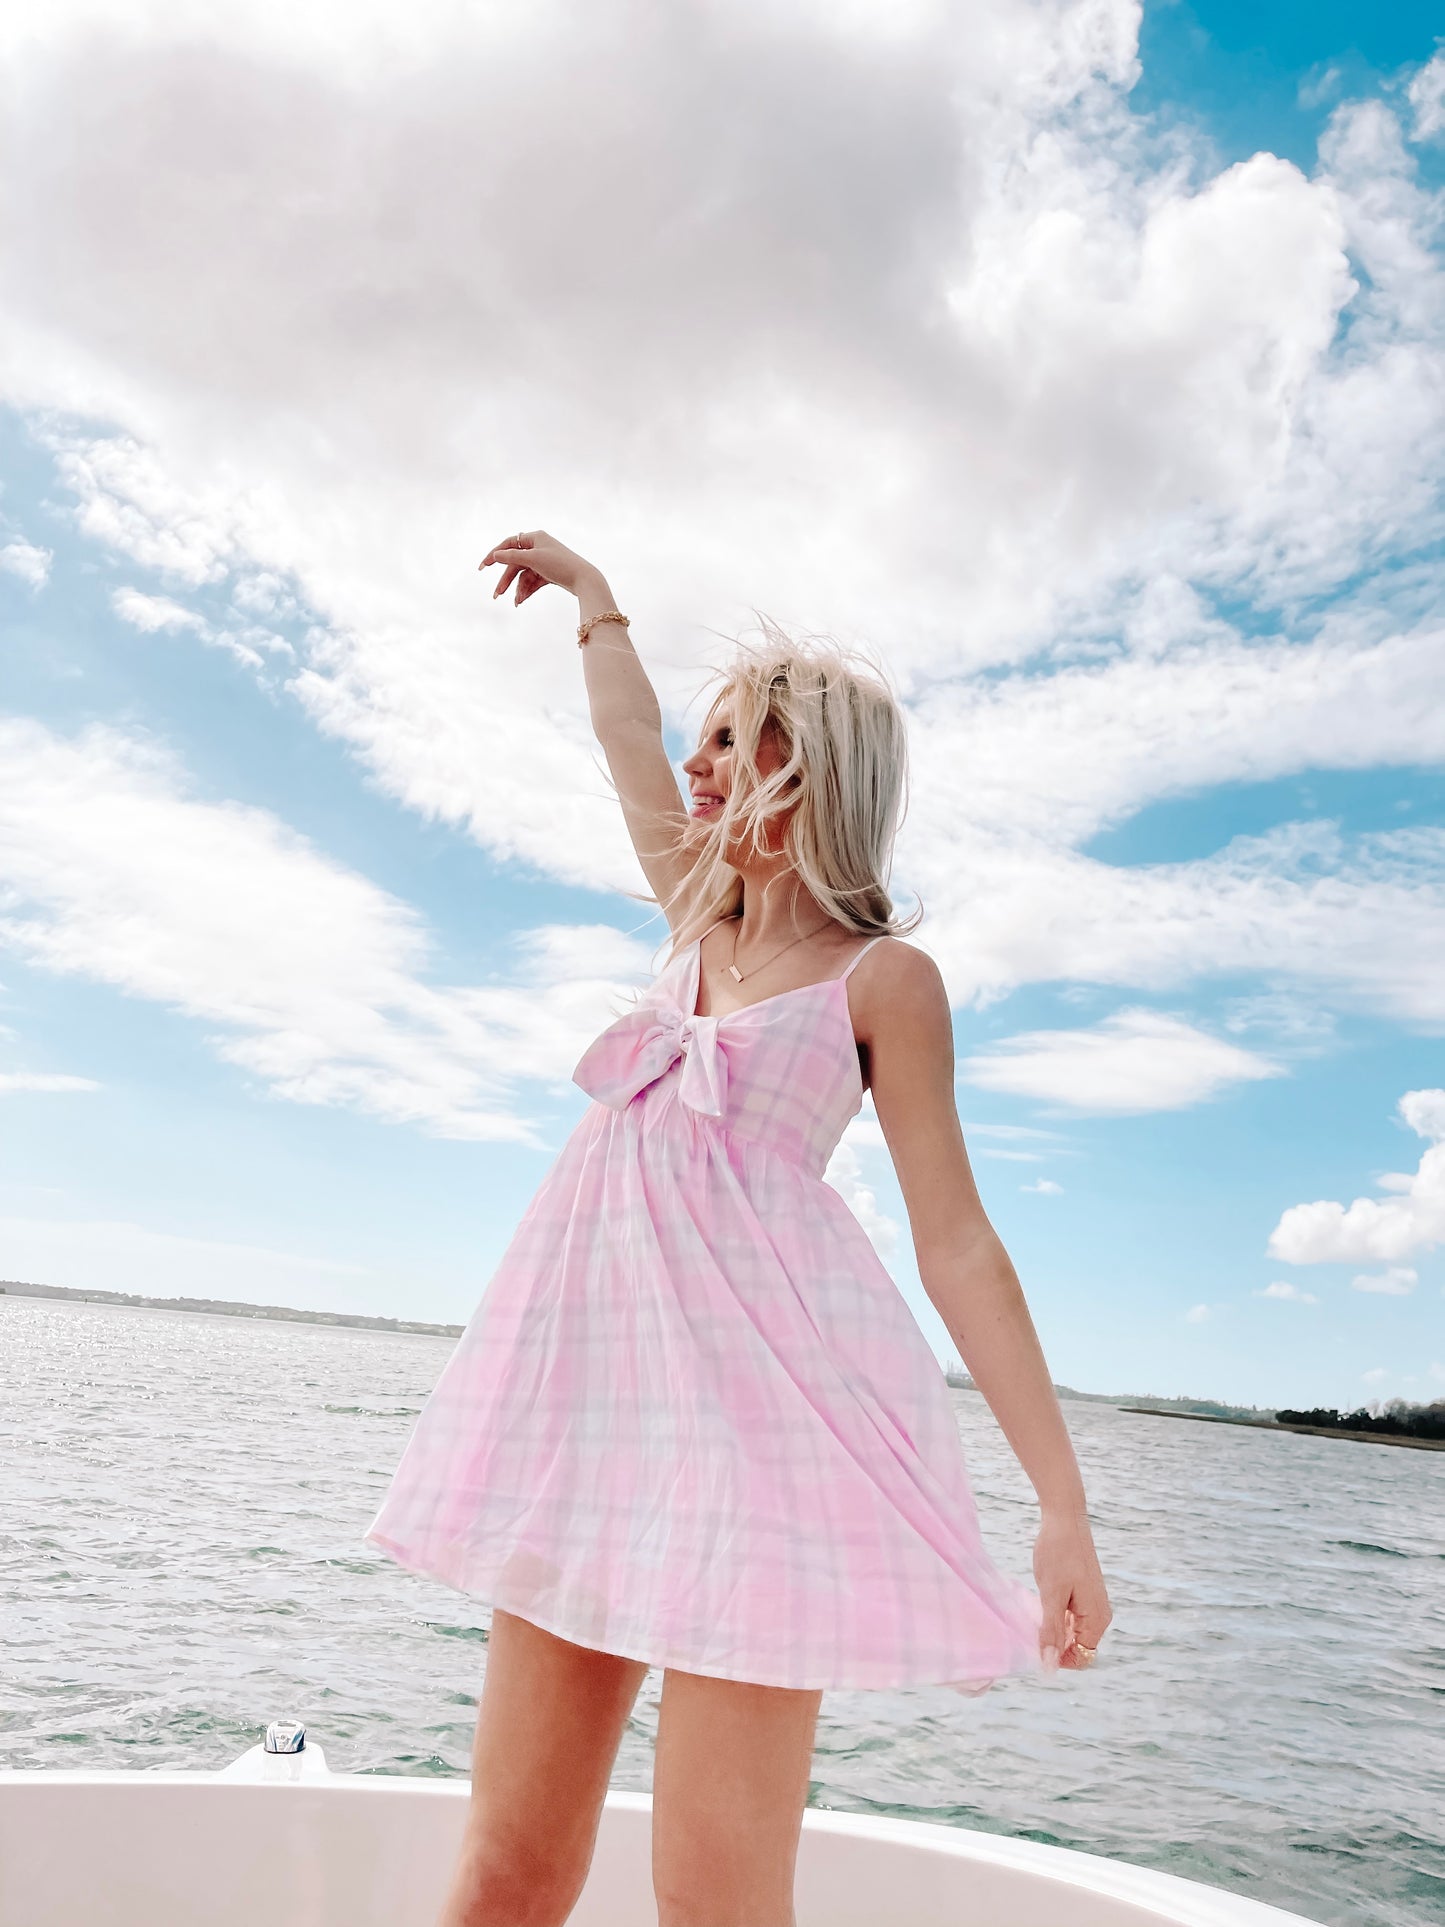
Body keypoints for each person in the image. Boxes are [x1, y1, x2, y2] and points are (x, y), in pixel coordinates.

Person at [365, 530, 1112, 1927]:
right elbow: (622, 746)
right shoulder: (690, 917)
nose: (698, 766)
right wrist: (597, 608)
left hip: (766, 1454)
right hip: (588, 1427)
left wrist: (1060, 1509)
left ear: (808, 773)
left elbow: (959, 1248)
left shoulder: (885, 982)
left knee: (714, 1903)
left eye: (734, 744)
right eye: (701, 740)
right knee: (506, 1876)